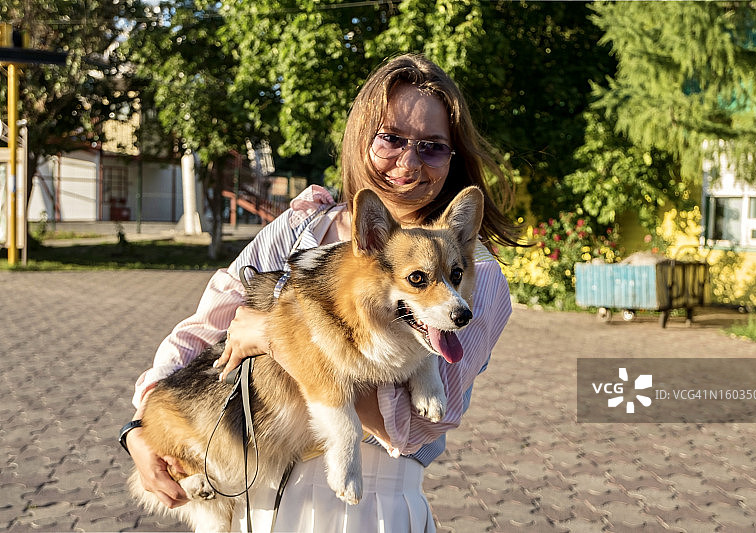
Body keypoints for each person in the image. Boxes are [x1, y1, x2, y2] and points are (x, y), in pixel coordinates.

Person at [122, 53, 523, 532]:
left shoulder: (478, 274)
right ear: (361, 139)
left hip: (367, 506)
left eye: (433, 147)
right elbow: (202, 328)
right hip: (255, 501)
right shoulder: (302, 226)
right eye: (391, 138)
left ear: (453, 157)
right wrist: (139, 428)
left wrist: (279, 337)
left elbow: (417, 429)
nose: (408, 162)